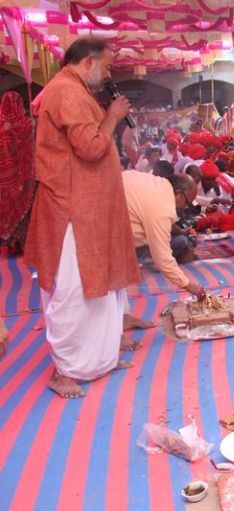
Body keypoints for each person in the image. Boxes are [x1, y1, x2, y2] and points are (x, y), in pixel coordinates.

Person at [24, 37, 140, 399]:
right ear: (88, 63)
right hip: (73, 209)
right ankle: (65, 370)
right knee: (74, 292)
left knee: (101, 290)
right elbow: (91, 147)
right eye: (106, 68)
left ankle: (100, 357)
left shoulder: (75, 91)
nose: (108, 75)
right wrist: (113, 116)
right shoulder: (66, 92)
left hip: (91, 207)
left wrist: (107, 116)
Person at [122, 168, 205, 297]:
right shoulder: (162, 207)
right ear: (179, 194)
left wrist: (182, 231)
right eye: (187, 203)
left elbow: (170, 224)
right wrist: (188, 285)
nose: (185, 208)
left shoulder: (159, 185)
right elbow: (163, 258)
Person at [0, 91, 34, 256]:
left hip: (5, 179)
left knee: (8, 209)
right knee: (25, 211)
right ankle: (24, 243)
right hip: (25, 175)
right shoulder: (26, 124)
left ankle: (11, 242)